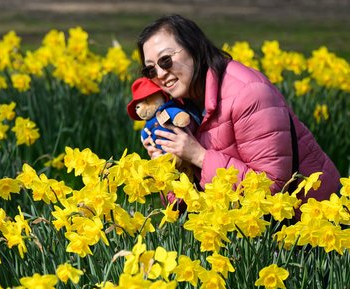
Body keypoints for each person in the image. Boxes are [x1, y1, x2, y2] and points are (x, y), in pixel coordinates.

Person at [134, 14, 340, 200]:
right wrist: (169, 169)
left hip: (312, 223)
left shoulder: (249, 93)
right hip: (247, 231)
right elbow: (184, 209)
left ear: (194, 48)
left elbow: (271, 188)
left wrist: (198, 156)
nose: (160, 74)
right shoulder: (179, 108)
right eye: (150, 70)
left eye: (166, 60)